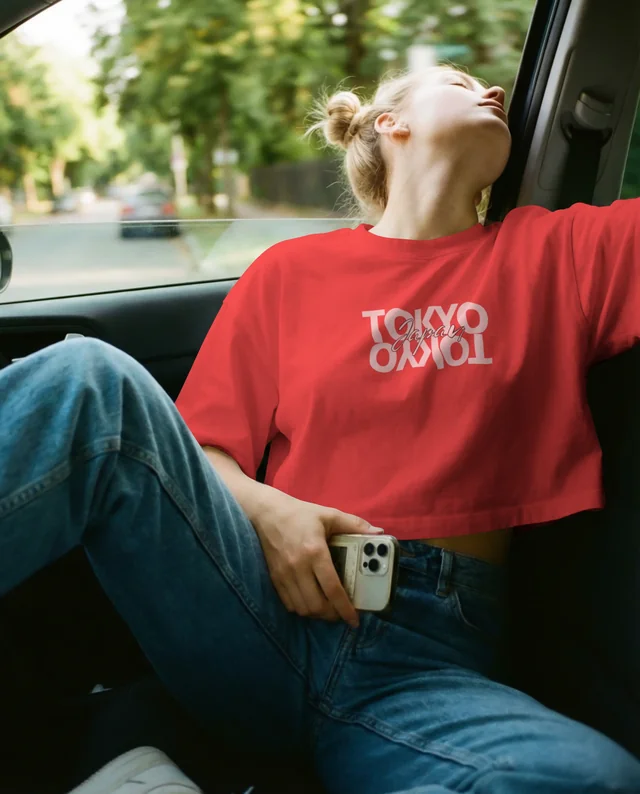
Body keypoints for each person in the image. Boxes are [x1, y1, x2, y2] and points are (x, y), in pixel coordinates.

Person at [2, 64, 640, 794]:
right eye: (461, 82)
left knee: (590, 780)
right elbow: (205, 450)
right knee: (89, 383)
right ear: (388, 124)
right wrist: (273, 512)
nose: (494, 92)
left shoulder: (561, 253)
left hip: (424, 668)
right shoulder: (289, 272)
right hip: (250, 605)